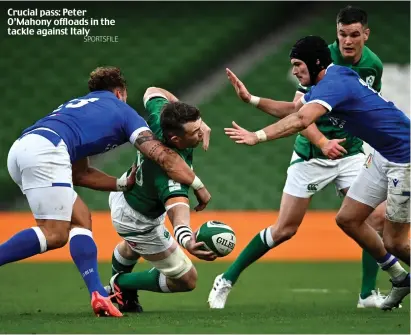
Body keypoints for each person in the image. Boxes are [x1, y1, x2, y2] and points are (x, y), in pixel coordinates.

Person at [209, 6, 388, 309]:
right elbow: (299, 115)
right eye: (342, 33)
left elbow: (364, 110)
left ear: (365, 35)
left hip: (351, 154)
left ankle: (368, 294)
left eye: (354, 34)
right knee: (285, 230)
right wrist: (322, 141)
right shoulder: (319, 60)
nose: (347, 40)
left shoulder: (373, 66)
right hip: (312, 157)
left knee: (376, 217)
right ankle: (225, 279)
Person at [4, 67, 211, 317]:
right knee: (55, 234)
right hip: (48, 152)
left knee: (81, 219)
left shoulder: (77, 106)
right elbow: (165, 158)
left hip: (23, 148)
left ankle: (99, 294)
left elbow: (80, 174)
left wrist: (121, 184)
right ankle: (107, 290)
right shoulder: (123, 111)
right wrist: (199, 187)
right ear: (119, 92)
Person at [106, 87, 216, 313]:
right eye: (195, 131)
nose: (201, 132)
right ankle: (119, 285)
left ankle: (122, 288)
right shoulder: (168, 177)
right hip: (138, 222)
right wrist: (187, 242)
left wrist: (198, 122)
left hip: (127, 192)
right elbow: (178, 213)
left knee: (132, 247)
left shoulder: (160, 121)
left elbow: (152, 91)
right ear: (176, 139)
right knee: (187, 279)